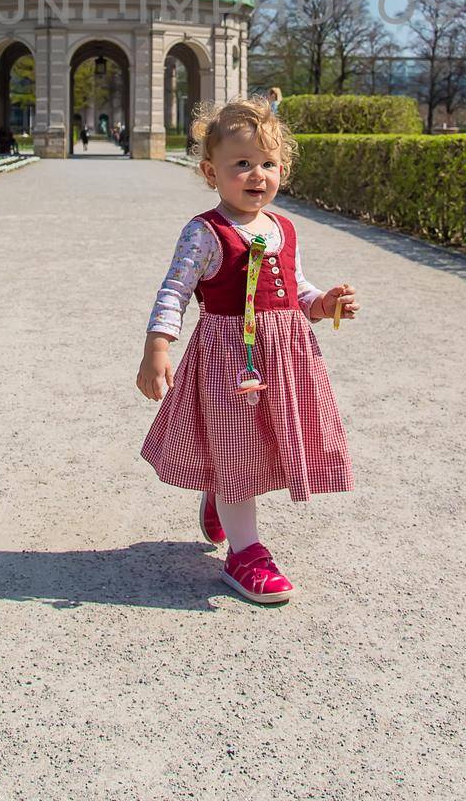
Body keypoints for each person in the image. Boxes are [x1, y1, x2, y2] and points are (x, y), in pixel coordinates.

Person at [137, 94, 359, 605]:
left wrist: (323, 304)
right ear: (211, 172)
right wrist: (157, 346)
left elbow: (296, 291)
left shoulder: (284, 228)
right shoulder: (205, 232)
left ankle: (220, 495)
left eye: (268, 163)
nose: (257, 175)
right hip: (228, 362)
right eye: (242, 164)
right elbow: (174, 289)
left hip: (285, 359)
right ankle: (246, 554)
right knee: (238, 445)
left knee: (259, 446)